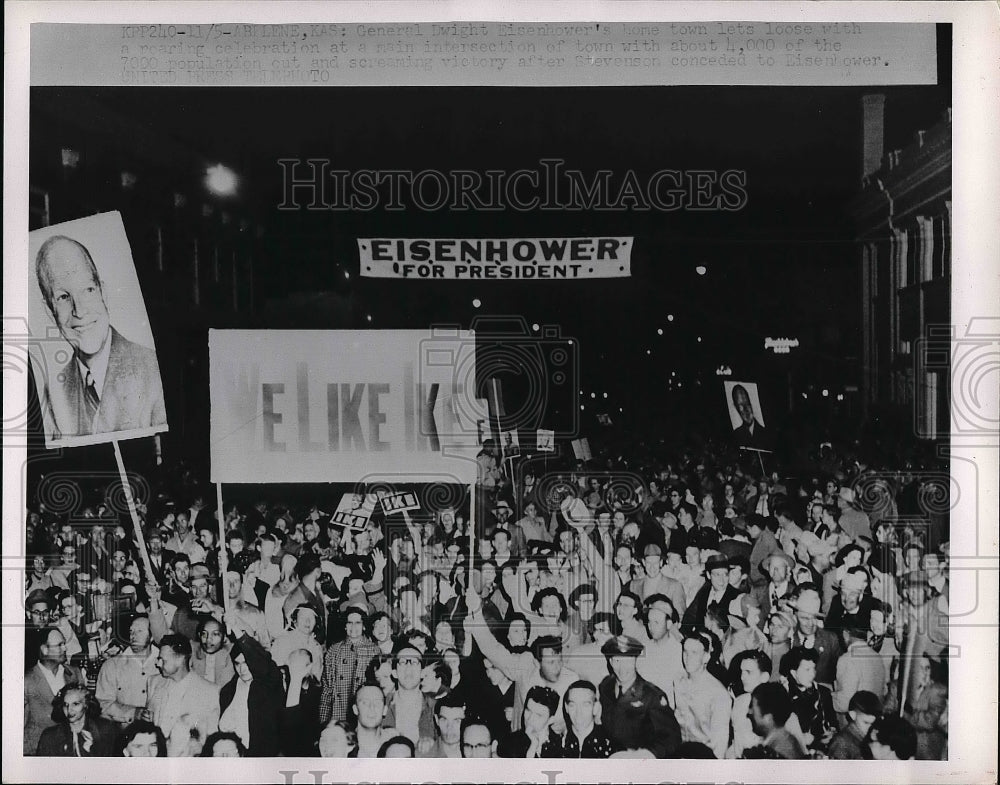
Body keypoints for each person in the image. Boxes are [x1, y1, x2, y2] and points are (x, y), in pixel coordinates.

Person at [34, 234, 166, 440]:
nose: (79, 311)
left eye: (88, 290)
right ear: (50, 311)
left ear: (103, 293)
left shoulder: (153, 370)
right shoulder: (53, 395)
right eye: (63, 297)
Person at [598, 634, 681, 758]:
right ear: (610, 661)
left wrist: (647, 754)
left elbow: (672, 738)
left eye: (628, 661)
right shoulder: (606, 686)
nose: (622, 668)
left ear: (635, 660)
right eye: (617, 661)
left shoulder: (652, 696)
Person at [145, 634, 220, 754]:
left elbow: (210, 740)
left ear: (180, 659)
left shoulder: (210, 691)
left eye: (163, 660)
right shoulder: (153, 682)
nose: (158, 664)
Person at [670, 631, 732, 758]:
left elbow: (719, 745)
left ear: (706, 657)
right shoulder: (679, 681)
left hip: (704, 757)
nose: (688, 658)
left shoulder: (718, 693)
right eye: (685, 652)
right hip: (680, 752)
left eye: (694, 653)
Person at [218, 635, 283, 756]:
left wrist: (239, 633)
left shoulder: (267, 685)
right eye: (237, 664)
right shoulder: (228, 691)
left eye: (246, 663)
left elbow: (266, 663)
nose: (242, 669)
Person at [24, 626, 84, 755]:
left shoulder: (74, 673)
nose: (65, 648)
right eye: (59, 645)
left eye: (64, 644)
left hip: (72, 749)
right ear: (44, 650)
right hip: (38, 751)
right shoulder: (27, 682)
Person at [319, 607, 381, 726]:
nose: (353, 627)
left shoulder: (374, 651)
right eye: (349, 622)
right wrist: (323, 721)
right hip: (338, 713)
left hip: (363, 714)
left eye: (357, 623)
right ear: (345, 626)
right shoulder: (334, 650)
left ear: (364, 626)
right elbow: (327, 689)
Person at [96, 614, 159, 725]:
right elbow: (102, 704)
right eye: (131, 631)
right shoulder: (112, 665)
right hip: (124, 732)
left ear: (152, 636)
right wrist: (133, 713)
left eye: (139, 631)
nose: (133, 636)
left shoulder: (164, 664)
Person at [36, 684, 117, 756]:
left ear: (86, 704)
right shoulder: (50, 736)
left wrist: (89, 751)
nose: (69, 710)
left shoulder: (104, 731)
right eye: (65, 705)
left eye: (75, 704)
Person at [546, 680, 614, 758]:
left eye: (585, 705)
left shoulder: (610, 747)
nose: (578, 713)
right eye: (572, 705)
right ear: (566, 707)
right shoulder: (556, 746)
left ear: (595, 708)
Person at [746, 682, 806, 759]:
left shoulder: (779, 751)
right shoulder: (782, 741)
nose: (749, 712)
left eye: (752, 706)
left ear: (768, 717)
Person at [497, 685, 560, 758]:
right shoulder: (510, 742)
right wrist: (533, 745)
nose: (530, 719)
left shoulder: (560, 744)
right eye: (528, 710)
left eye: (538, 715)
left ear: (550, 720)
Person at [828, 691, 881, 760]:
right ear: (853, 715)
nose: (870, 728)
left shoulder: (868, 737)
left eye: (873, 723)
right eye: (866, 723)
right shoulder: (841, 743)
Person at [730, 384, 771, 450]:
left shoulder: (767, 433)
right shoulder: (735, 436)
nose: (746, 409)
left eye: (747, 403)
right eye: (741, 406)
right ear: (736, 407)